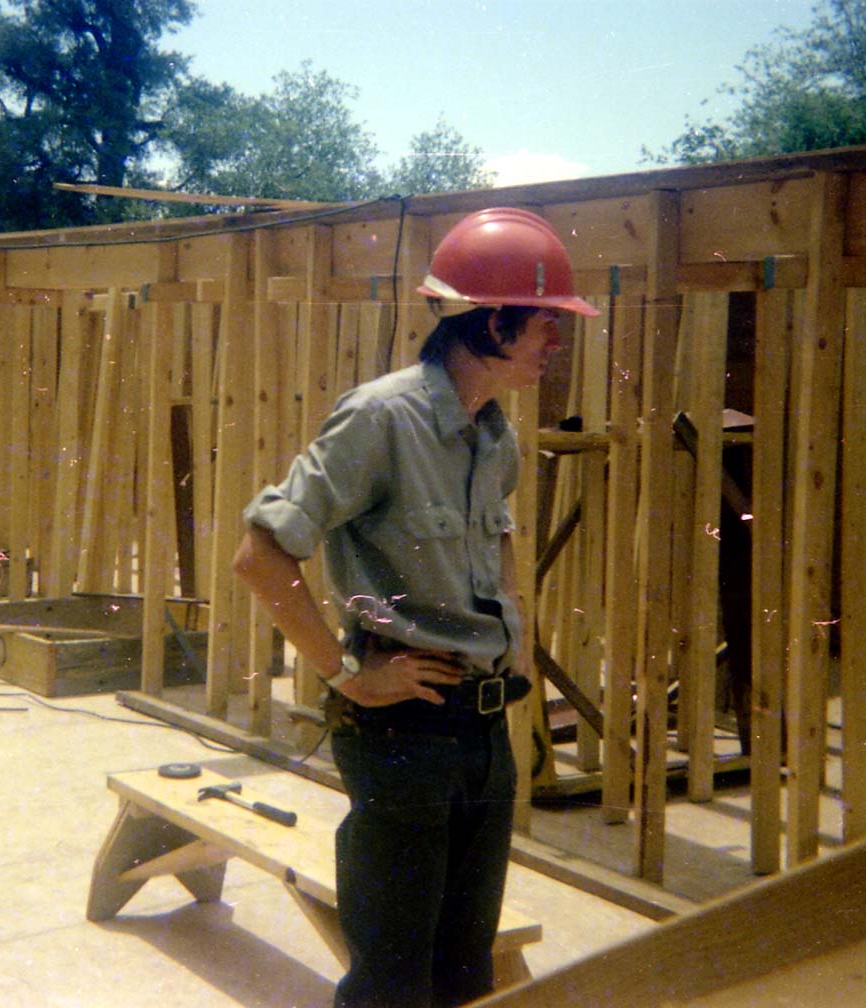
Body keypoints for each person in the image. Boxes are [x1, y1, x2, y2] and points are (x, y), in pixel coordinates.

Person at [232, 207, 598, 1008]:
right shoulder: (380, 418)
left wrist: (518, 641)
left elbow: (497, 545)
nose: (555, 342)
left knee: (465, 971)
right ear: (490, 320)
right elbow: (261, 555)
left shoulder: (492, 434)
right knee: (393, 980)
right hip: (404, 731)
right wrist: (348, 674)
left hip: (482, 729)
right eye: (544, 323)